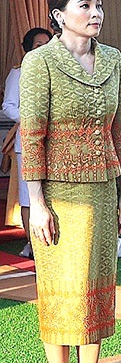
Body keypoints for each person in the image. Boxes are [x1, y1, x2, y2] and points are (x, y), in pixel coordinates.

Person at [20, 0, 121, 363]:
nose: (95, 13)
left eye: (99, 5)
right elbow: (32, 134)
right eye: (85, 5)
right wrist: (38, 204)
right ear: (58, 14)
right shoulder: (39, 62)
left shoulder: (112, 59)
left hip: (105, 190)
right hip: (59, 197)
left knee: (96, 296)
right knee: (63, 297)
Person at [3, 27, 52, 256]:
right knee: (28, 196)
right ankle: (33, 243)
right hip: (28, 141)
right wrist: (31, 119)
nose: (43, 49)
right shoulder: (19, 72)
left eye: (47, 44)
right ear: (28, 49)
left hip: (55, 142)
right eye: (37, 45)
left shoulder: (57, 70)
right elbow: (8, 106)